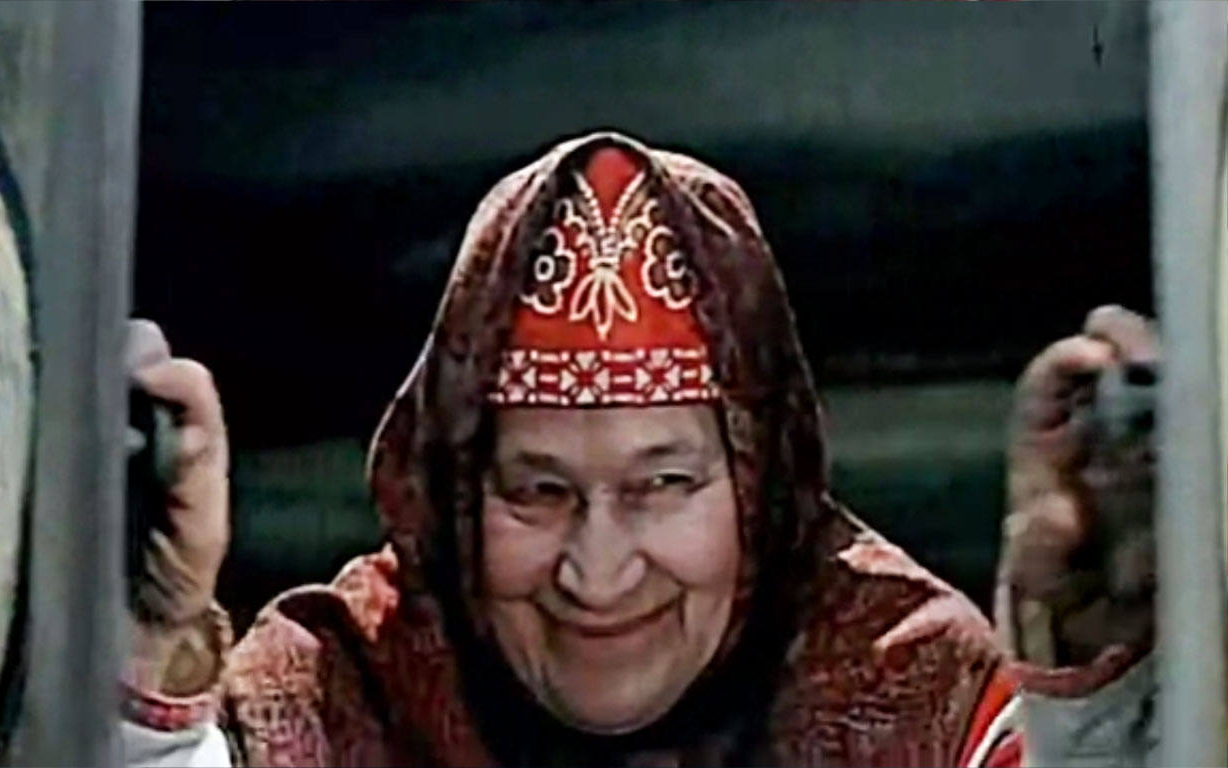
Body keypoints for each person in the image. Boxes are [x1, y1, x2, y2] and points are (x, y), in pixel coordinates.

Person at [121, 133, 1158, 767]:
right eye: (537, 491)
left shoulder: (911, 690)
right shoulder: (330, 695)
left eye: (663, 483)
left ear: (761, 491)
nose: (599, 571)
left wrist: (1106, 703)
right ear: (449, 494)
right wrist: (135, 664)